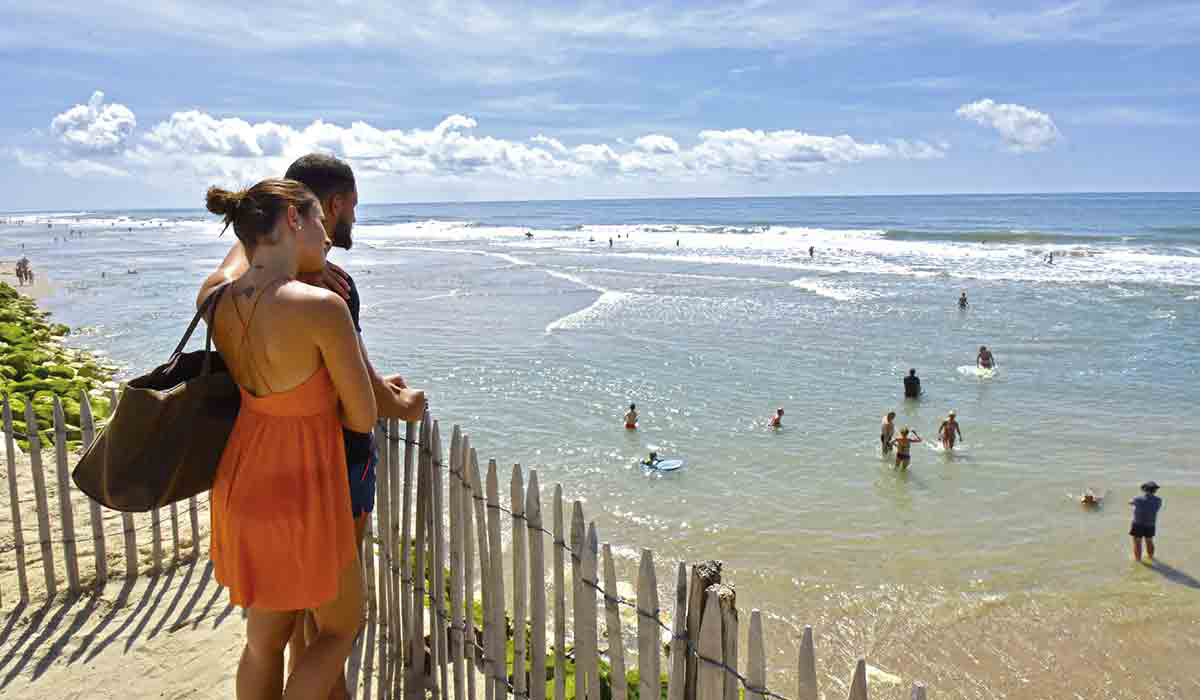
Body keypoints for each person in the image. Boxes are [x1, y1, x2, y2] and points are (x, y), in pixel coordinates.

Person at [199, 154, 425, 698]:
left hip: (245, 472)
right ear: (294, 221)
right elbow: (362, 413)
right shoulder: (322, 305)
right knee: (339, 627)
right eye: (318, 222)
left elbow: (242, 267)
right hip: (307, 480)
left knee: (264, 639)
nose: (327, 233)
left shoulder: (214, 298)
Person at [1129, 481, 1162, 562]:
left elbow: (1130, 502)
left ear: (1144, 489)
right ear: (1155, 490)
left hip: (1138, 524)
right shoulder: (1159, 500)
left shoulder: (1138, 499)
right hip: (1150, 524)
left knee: (1137, 543)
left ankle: (1138, 561)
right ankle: (1151, 557)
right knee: (1149, 541)